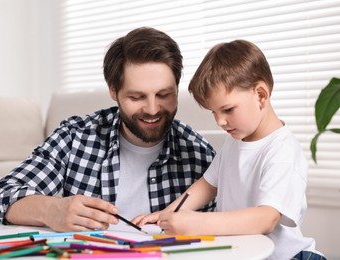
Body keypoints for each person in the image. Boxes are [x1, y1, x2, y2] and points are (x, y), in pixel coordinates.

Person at [0, 27, 216, 232]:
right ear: (113, 91)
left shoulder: (199, 155)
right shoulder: (75, 137)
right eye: (136, 97)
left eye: (164, 95)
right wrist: (51, 210)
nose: (153, 109)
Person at [133, 40, 325, 260]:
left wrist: (199, 223)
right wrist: (168, 213)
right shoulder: (236, 139)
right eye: (214, 112)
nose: (220, 121)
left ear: (261, 95)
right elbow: (207, 184)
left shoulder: (282, 151)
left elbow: (267, 218)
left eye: (227, 110)